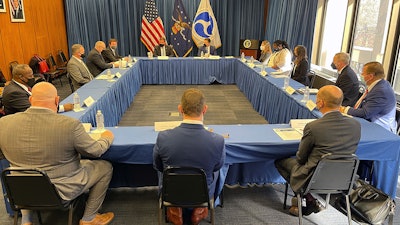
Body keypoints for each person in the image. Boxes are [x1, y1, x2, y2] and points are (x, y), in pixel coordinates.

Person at [0, 82, 115, 225]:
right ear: (57, 100)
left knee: (25, 170)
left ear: (30, 100)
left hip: (21, 191)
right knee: (105, 167)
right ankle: (89, 218)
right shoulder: (69, 125)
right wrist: (107, 137)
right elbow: (96, 151)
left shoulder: (3, 123)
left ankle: (27, 221)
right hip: (61, 189)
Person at [275, 85, 361, 217]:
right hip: (343, 178)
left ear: (321, 103)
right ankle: (309, 200)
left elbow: (300, 159)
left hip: (313, 177)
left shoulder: (313, 127)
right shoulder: (356, 125)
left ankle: (306, 197)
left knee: (281, 161)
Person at [153, 88, 225, 225]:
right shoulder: (218, 140)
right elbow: (218, 166)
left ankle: (174, 208)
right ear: (205, 109)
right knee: (216, 172)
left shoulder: (163, 137)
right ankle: (200, 208)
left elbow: (157, 165)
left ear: (180, 109)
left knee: (164, 169)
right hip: (202, 192)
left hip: (172, 192)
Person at [340, 61, 397, 133]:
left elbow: (365, 113)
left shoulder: (381, 91)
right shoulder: (378, 86)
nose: (361, 75)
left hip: (381, 131)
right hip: (370, 123)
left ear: (370, 76)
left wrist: (344, 109)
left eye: (363, 73)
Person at [2, 64, 73, 115]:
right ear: (21, 77)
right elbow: (33, 111)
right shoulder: (14, 92)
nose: (33, 78)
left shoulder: (21, 86)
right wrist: (62, 108)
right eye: (30, 76)